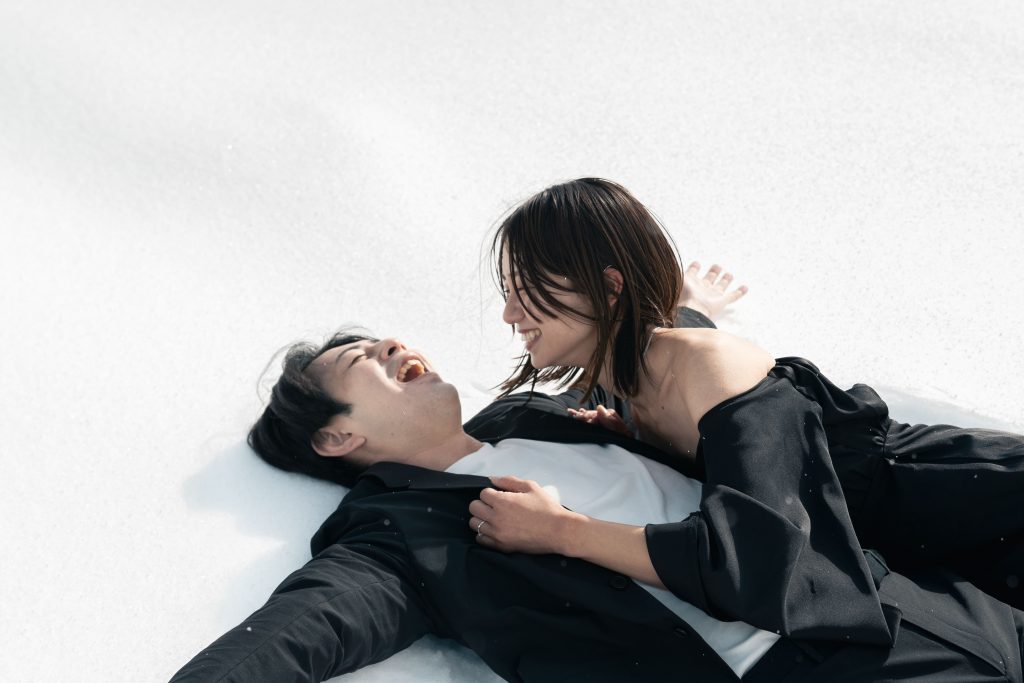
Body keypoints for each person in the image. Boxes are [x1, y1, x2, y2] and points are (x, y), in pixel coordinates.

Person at [171, 307, 1024, 681]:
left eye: (385, 338)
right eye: (362, 360)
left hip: (915, 604)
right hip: (787, 669)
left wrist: (682, 309)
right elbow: (301, 633)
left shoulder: (540, 415)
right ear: (336, 438)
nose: (392, 345)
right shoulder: (394, 538)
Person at [479, 177, 1024, 615]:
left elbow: (752, 557)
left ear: (610, 288)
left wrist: (561, 531)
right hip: (908, 563)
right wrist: (635, 441)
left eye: (527, 289)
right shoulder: (618, 383)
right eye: (508, 291)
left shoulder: (708, 369)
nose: (509, 314)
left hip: (963, 499)